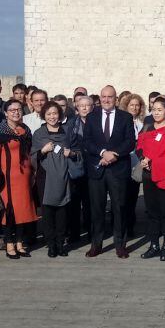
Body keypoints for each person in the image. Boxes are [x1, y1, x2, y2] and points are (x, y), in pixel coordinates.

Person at [81, 85, 137, 257]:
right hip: (97, 169)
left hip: (118, 169)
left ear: (116, 98)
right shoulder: (91, 117)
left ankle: (120, 245)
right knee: (96, 208)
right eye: (104, 96)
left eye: (110, 97)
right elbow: (87, 141)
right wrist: (102, 153)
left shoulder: (126, 117)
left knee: (119, 208)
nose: (106, 100)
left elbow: (130, 142)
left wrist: (115, 154)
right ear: (100, 98)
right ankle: (96, 244)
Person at [0, 100, 38, 259]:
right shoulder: (0, 130)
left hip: (24, 177)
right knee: (9, 211)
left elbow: (29, 152)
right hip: (7, 178)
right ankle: (9, 244)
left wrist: (33, 172)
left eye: (18, 109)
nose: (16, 112)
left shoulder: (25, 129)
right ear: (6, 113)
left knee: (22, 211)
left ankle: (19, 243)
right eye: (12, 110)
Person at [31, 101, 78, 258]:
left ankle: (60, 244)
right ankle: (51, 245)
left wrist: (71, 153)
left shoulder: (67, 132)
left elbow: (77, 152)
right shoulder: (39, 134)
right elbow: (31, 157)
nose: (52, 116)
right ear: (44, 115)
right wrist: (42, 151)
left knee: (62, 213)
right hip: (45, 178)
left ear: (60, 115)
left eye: (55, 113)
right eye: (49, 114)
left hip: (64, 177)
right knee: (48, 213)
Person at [136, 96, 165, 260]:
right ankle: (154, 245)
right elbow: (139, 146)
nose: (156, 113)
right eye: (154, 109)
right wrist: (143, 160)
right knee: (152, 212)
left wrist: (153, 162)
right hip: (148, 174)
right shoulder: (147, 128)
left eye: (160, 110)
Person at [67, 91, 93, 245]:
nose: (84, 108)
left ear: (92, 107)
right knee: (74, 203)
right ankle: (74, 233)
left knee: (90, 202)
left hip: (92, 167)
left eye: (87, 106)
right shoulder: (72, 123)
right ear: (77, 108)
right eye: (81, 106)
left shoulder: (96, 122)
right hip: (76, 166)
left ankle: (91, 231)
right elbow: (68, 143)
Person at [122, 92, 146, 239]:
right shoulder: (122, 121)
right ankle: (121, 225)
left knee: (132, 196)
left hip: (137, 164)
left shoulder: (142, 123)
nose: (135, 107)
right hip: (124, 162)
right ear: (126, 106)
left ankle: (130, 225)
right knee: (121, 197)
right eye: (132, 105)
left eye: (137, 105)